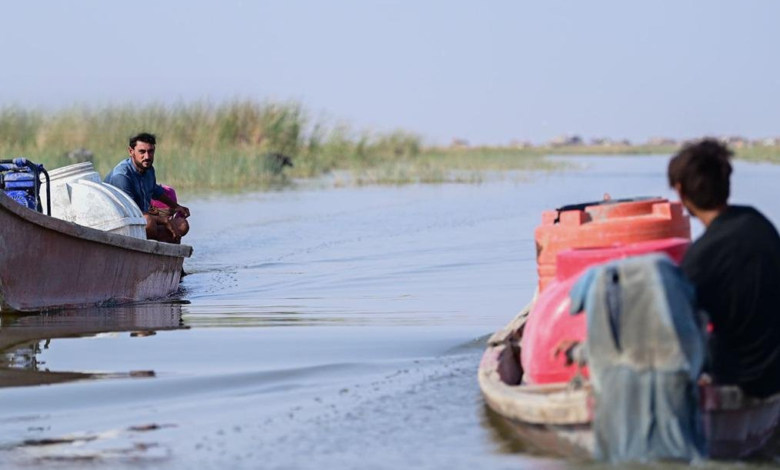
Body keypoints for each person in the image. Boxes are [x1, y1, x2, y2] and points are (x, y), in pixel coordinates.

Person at [668, 138, 780, 398]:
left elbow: (673, 324)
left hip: (747, 378)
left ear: (680, 191)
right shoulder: (757, 220)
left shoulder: (701, 258)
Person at [105, 132, 190, 243]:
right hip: (121, 223)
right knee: (149, 222)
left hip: (141, 219)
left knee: (182, 225)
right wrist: (164, 221)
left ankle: (157, 241)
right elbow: (131, 212)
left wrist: (176, 206)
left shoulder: (149, 169)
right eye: (142, 152)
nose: (147, 157)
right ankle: (158, 239)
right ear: (131, 151)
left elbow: (155, 190)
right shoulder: (121, 176)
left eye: (150, 151)